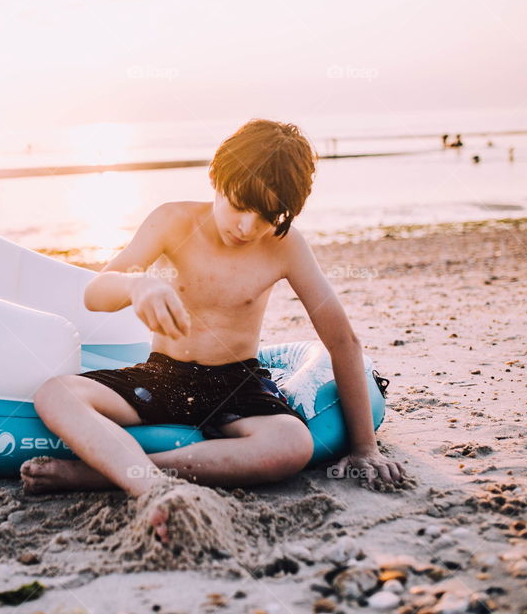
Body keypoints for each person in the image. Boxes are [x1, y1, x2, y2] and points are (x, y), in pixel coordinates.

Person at [22, 119, 407, 542]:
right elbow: (96, 294)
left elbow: (341, 341)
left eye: (266, 216)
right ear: (216, 178)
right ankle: (152, 488)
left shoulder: (285, 246)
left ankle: (100, 475)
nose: (247, 227)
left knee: (292, 444)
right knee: (55, 393)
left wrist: (365, 448)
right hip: (162, 375)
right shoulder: (173, 220)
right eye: (240, 205)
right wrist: (138, 284)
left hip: (236, 382)